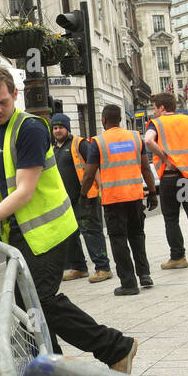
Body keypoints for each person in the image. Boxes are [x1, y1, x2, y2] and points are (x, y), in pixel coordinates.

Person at [0, 67, 138, 376]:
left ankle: (115, 347)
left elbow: (25, 189)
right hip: (22, 233)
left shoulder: (31, 129)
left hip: (49, 230)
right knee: (29, 304)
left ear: (14, 94)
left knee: (41, 300)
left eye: (1, 102)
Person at [143, 92, 188, 271]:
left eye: (155, 107)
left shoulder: (157, 124)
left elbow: (148, 140)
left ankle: (178, 256)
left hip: (169, 178)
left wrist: (165, 159)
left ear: (162, 107)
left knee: (171, 218)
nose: (154, 111)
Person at [96, 105, 158, 296]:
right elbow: (146, 169)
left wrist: (84, 195)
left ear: (103, 120)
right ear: (121, 119)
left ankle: (129, 283)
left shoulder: (98, 142)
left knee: (118, 240)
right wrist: (153, 192)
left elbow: (89, 173)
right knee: (137, 236)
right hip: (134, 197)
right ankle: (145, 274)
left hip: (113, 200)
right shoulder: (134, 137)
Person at [50, 113, 113, 284]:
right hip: (65, 200)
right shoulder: (53, 149)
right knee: (70, 234)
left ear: (67, 128)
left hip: (86, 198)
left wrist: (102, 191)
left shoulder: (80, 144)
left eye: (60, 127)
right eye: (54, 128)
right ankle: (79, 268)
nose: (57, 131)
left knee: (91, 232)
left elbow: (95, 167)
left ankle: (103, 268)